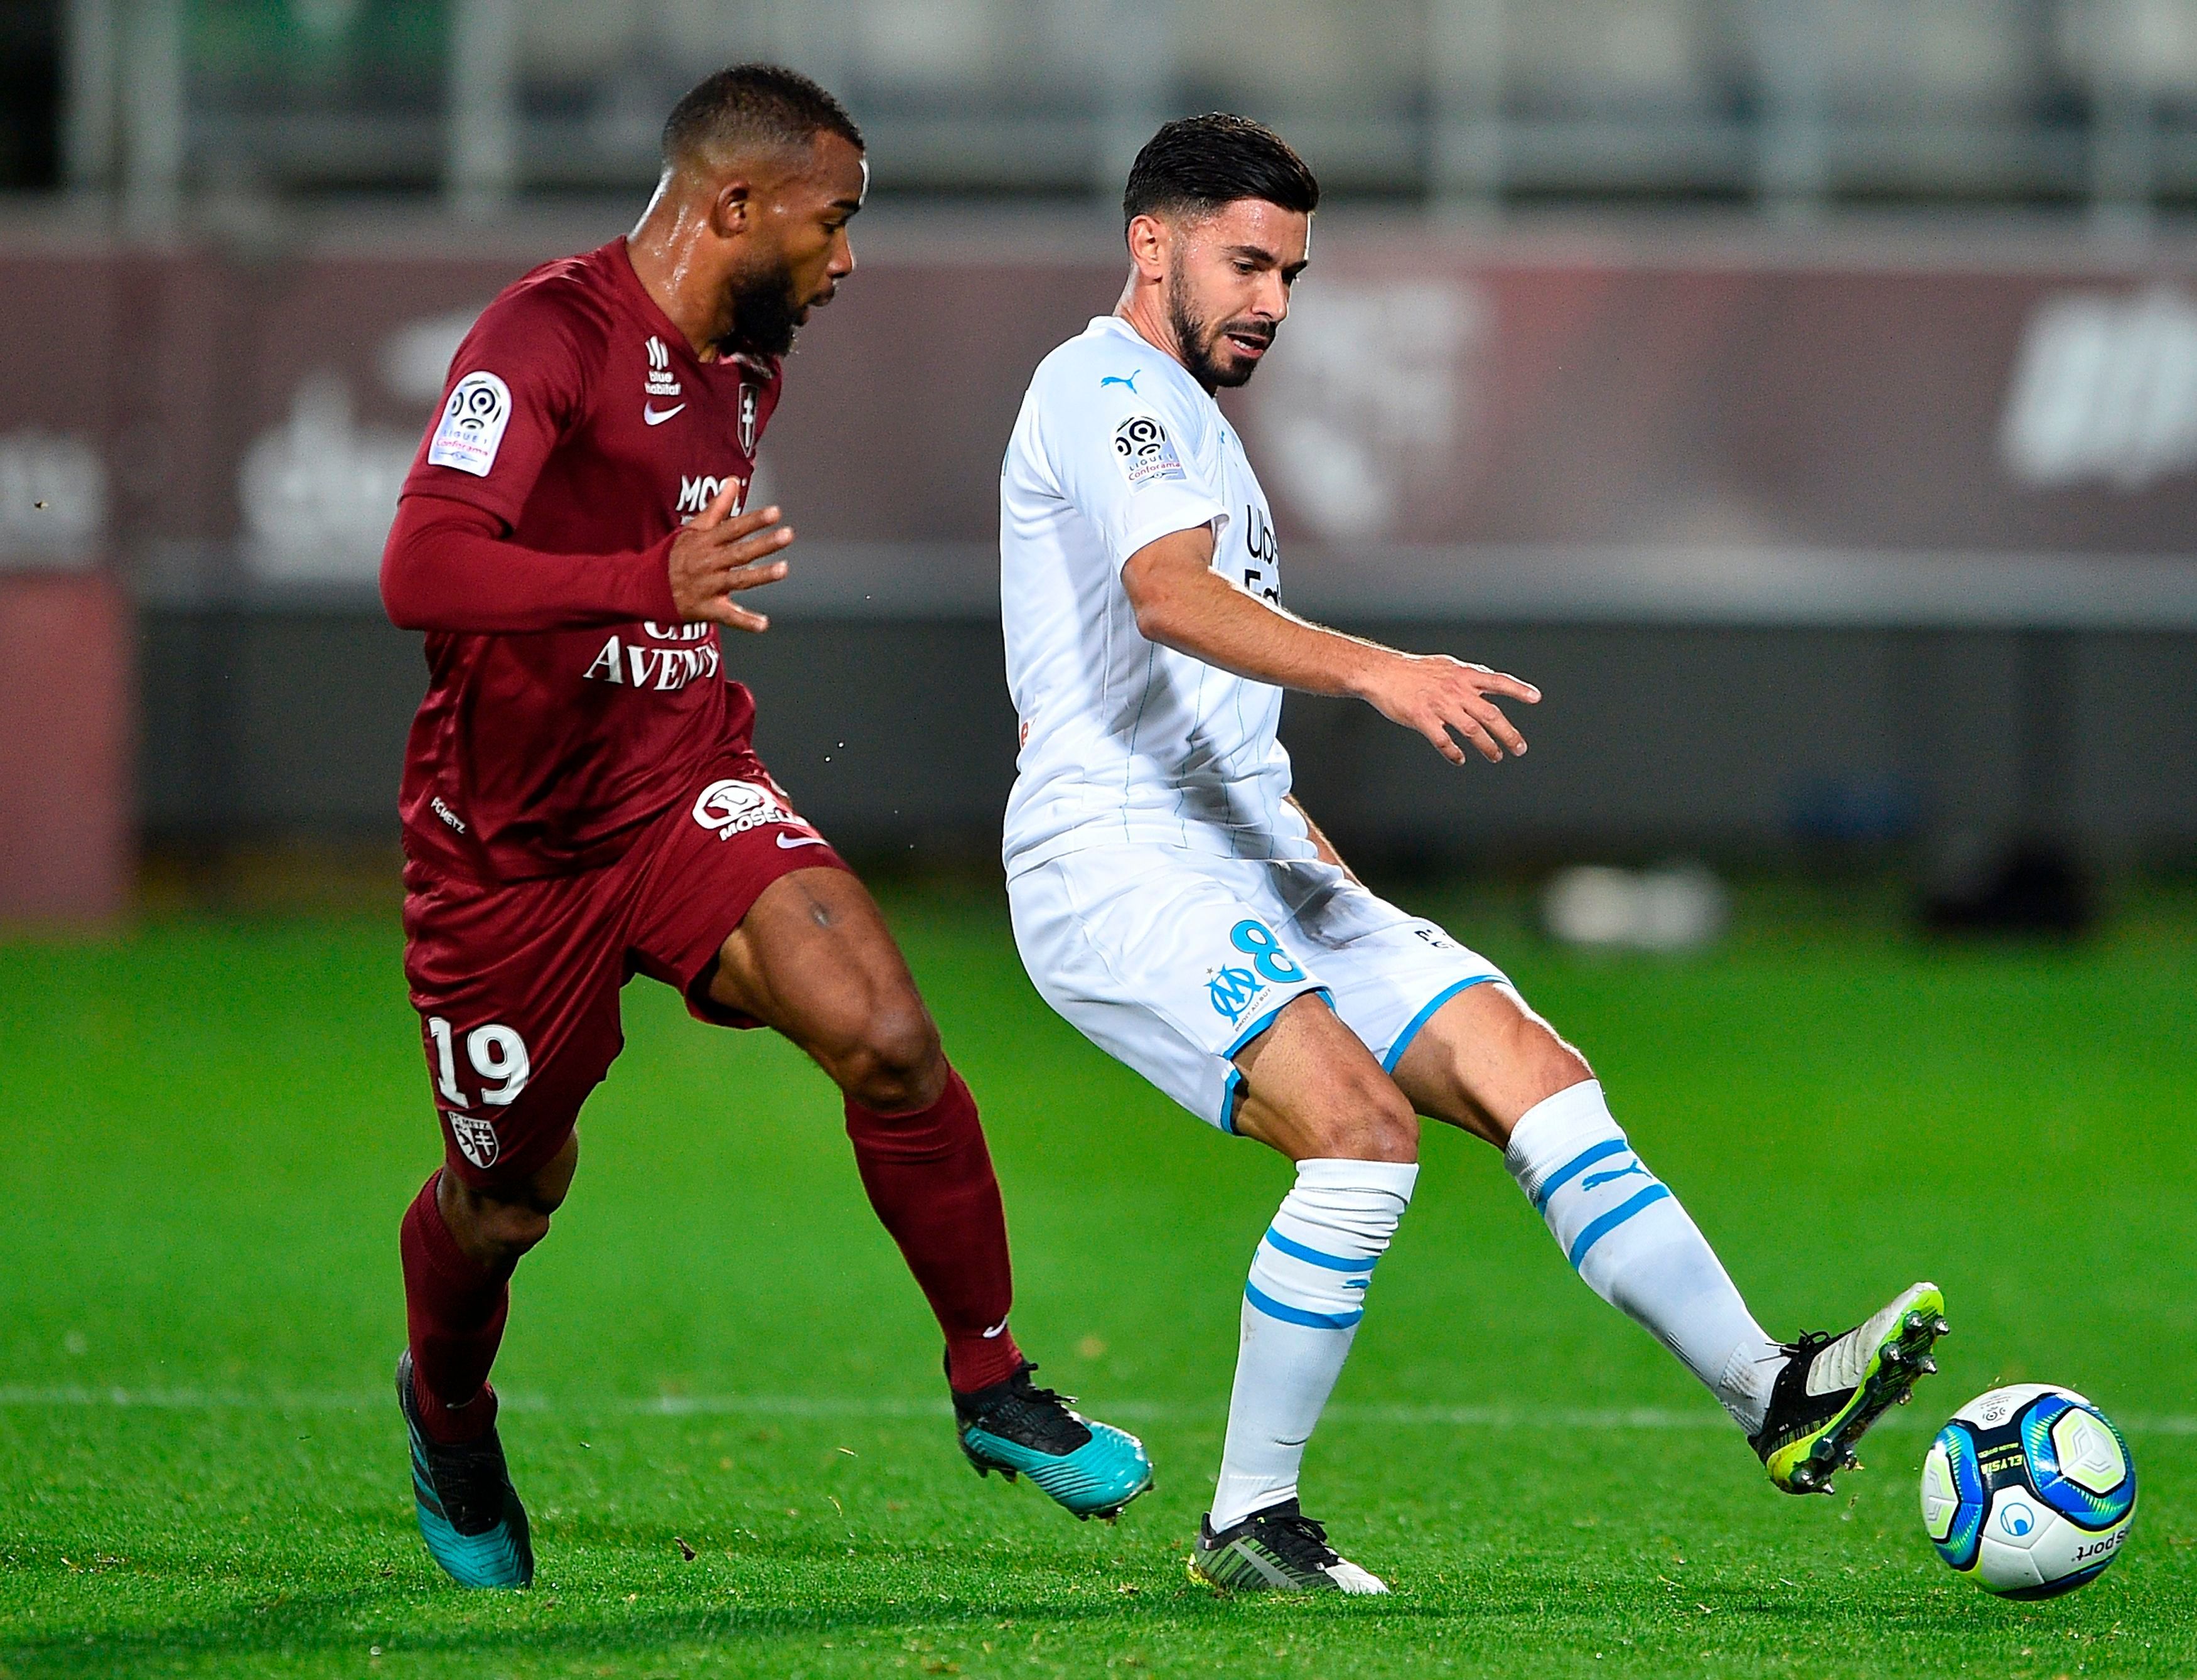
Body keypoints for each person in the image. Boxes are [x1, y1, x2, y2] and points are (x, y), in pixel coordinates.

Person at [996, 112, 1946, 1595]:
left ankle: (1768, 1387)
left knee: (1529, 1068)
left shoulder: (1193, 423)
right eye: (1248, 263)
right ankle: (1248, 1521)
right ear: (1152, 243)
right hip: (1113, 861)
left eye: (1293, 275)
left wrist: (1308, 851)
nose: (1273, 303)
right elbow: (1167, 602)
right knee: (1359, 1134)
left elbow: (1202, 694)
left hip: (1250, 850)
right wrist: (1376, 671)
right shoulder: (1098, 387)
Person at [379, 63, 1150, 1590]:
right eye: (832, 221)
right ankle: (448, 1411)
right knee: (508, 1199)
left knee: (888, 1037)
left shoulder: (743, 361)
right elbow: (421, 566)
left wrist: (663, 618)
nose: (846, 260)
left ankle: (990, 1380)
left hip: (679, 793)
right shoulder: (546, 336)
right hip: (507, 858)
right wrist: (638, 583)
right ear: (734, 204)